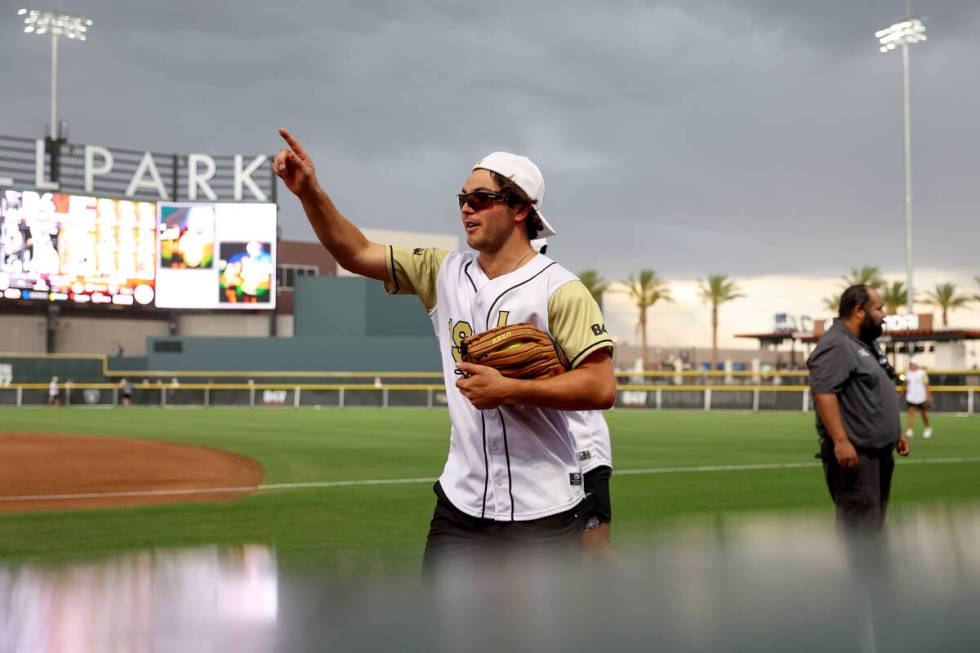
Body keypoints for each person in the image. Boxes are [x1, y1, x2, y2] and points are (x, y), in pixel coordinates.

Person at [274, 129, 616, 572]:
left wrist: (510, 388)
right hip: (461, 506)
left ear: (520, 209)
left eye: (481, 197)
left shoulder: (560, 289)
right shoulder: (441, 271)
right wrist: (310, 194)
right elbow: (354, 251)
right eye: (462, 197)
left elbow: (601, 386)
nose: (466, 207)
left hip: (544, 510)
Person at [531, 239, 616, 560]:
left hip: (583, 449)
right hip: (549, 453)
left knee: (594, 551)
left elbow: (596, 381)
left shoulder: (561, 302)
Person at [807, 285, 910, 535]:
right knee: (858, 535)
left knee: (873, 532)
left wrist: (894, 434)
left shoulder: (866, 344)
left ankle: (870, 574)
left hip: (878, 454)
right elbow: (824, 392)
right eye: (879, 308)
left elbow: (875, 391)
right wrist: (841, 440)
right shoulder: (838, 344)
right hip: (857, 458)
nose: (884, 314)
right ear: (858, 310)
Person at [904, 359, 932, 439]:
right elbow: (905, 384)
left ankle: (928, 428)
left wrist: (929, 396)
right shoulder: (907, 373)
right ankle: (910, 430)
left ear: (916, 364)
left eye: (912, 364)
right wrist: (901, 394)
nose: (911, 365)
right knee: (911, 413)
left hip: (921, 397)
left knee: (923, 414)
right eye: (910, 364)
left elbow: (927, 385)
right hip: (911, 397)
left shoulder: (922, 373)